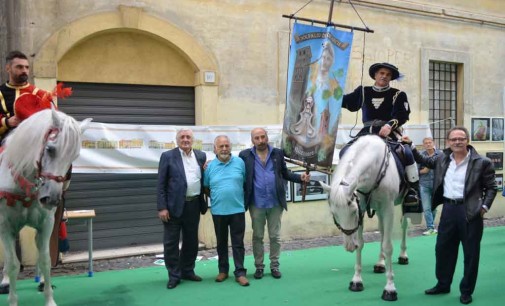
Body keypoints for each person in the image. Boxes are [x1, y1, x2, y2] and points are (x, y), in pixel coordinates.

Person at [407, 126, 497, 305]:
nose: (457, 142)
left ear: (467, 140)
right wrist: (411, 145)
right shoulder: (442, 159)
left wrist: (484, 207)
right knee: (442, 250)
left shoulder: (482, 162)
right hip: (448, 209)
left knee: (471, 254)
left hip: (471, 212)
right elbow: (423, 159)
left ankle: (466, 291)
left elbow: (492, 187)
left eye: (461, 138)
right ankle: (443, 284)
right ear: (448, 142)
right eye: (454, 139)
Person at [341, 62, 419, 205]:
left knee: (407, 152)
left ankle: (412, 191)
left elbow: (403, 114)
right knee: (345, 151)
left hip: (389, 133)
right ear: (375, 75)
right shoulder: (363, 91)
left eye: (388, 75)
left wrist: (390, 125)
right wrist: (331, 94)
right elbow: (347, 102)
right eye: (382, 73)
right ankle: (344, 185)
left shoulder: (398, 94)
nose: (384, 76)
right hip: (366, 132)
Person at [239, 128, 310, 279]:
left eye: (262, 137)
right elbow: (238, 173)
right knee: (257, 236)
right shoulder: (245, 156)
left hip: (275, 202)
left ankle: (274, 266)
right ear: (252, 140)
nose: (260, 140)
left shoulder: (277, 153)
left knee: (275, 236)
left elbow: (285, 173)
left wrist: (300, 178)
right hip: (256, 203)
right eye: (257, 138)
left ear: (267, 137)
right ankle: (259, 267)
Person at [157, 128, 207, 290]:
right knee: (171, 243)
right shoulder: (167, 156)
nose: (185, 139)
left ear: (193, 140)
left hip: (193, 205)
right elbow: (161, 185)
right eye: (182, 137)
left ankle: (187, 271)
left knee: (191, 242)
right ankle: (174, 275)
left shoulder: (200, 156)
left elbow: (203, 179)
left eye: (188, 137)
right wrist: (162, 207)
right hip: (172, 208)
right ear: (177, 140)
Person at [204, 135, 249, 287]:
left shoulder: (240, 163)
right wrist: (218, 197)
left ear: (230, 147)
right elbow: (206, 187)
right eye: (221, 146)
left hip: (237, 209)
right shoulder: (209, 167)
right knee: (221, 243)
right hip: (218, 211)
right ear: (215, 148)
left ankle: (240, 273)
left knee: (238, 243)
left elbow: (243, 183)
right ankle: (223, 270)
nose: (224, 149)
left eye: (226, 146)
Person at [419, 137, 443, 235]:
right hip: (424, 184)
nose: (428, 144)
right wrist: (423, 171)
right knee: (426, 207)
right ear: (423, 145)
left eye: (430, 142)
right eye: (426, 143)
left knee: (434, 207)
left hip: (436, 184)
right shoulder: (420, 155)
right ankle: (431, 227)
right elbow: (415, 171)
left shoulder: (440, 154)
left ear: (433, 143)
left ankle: (431, 227)